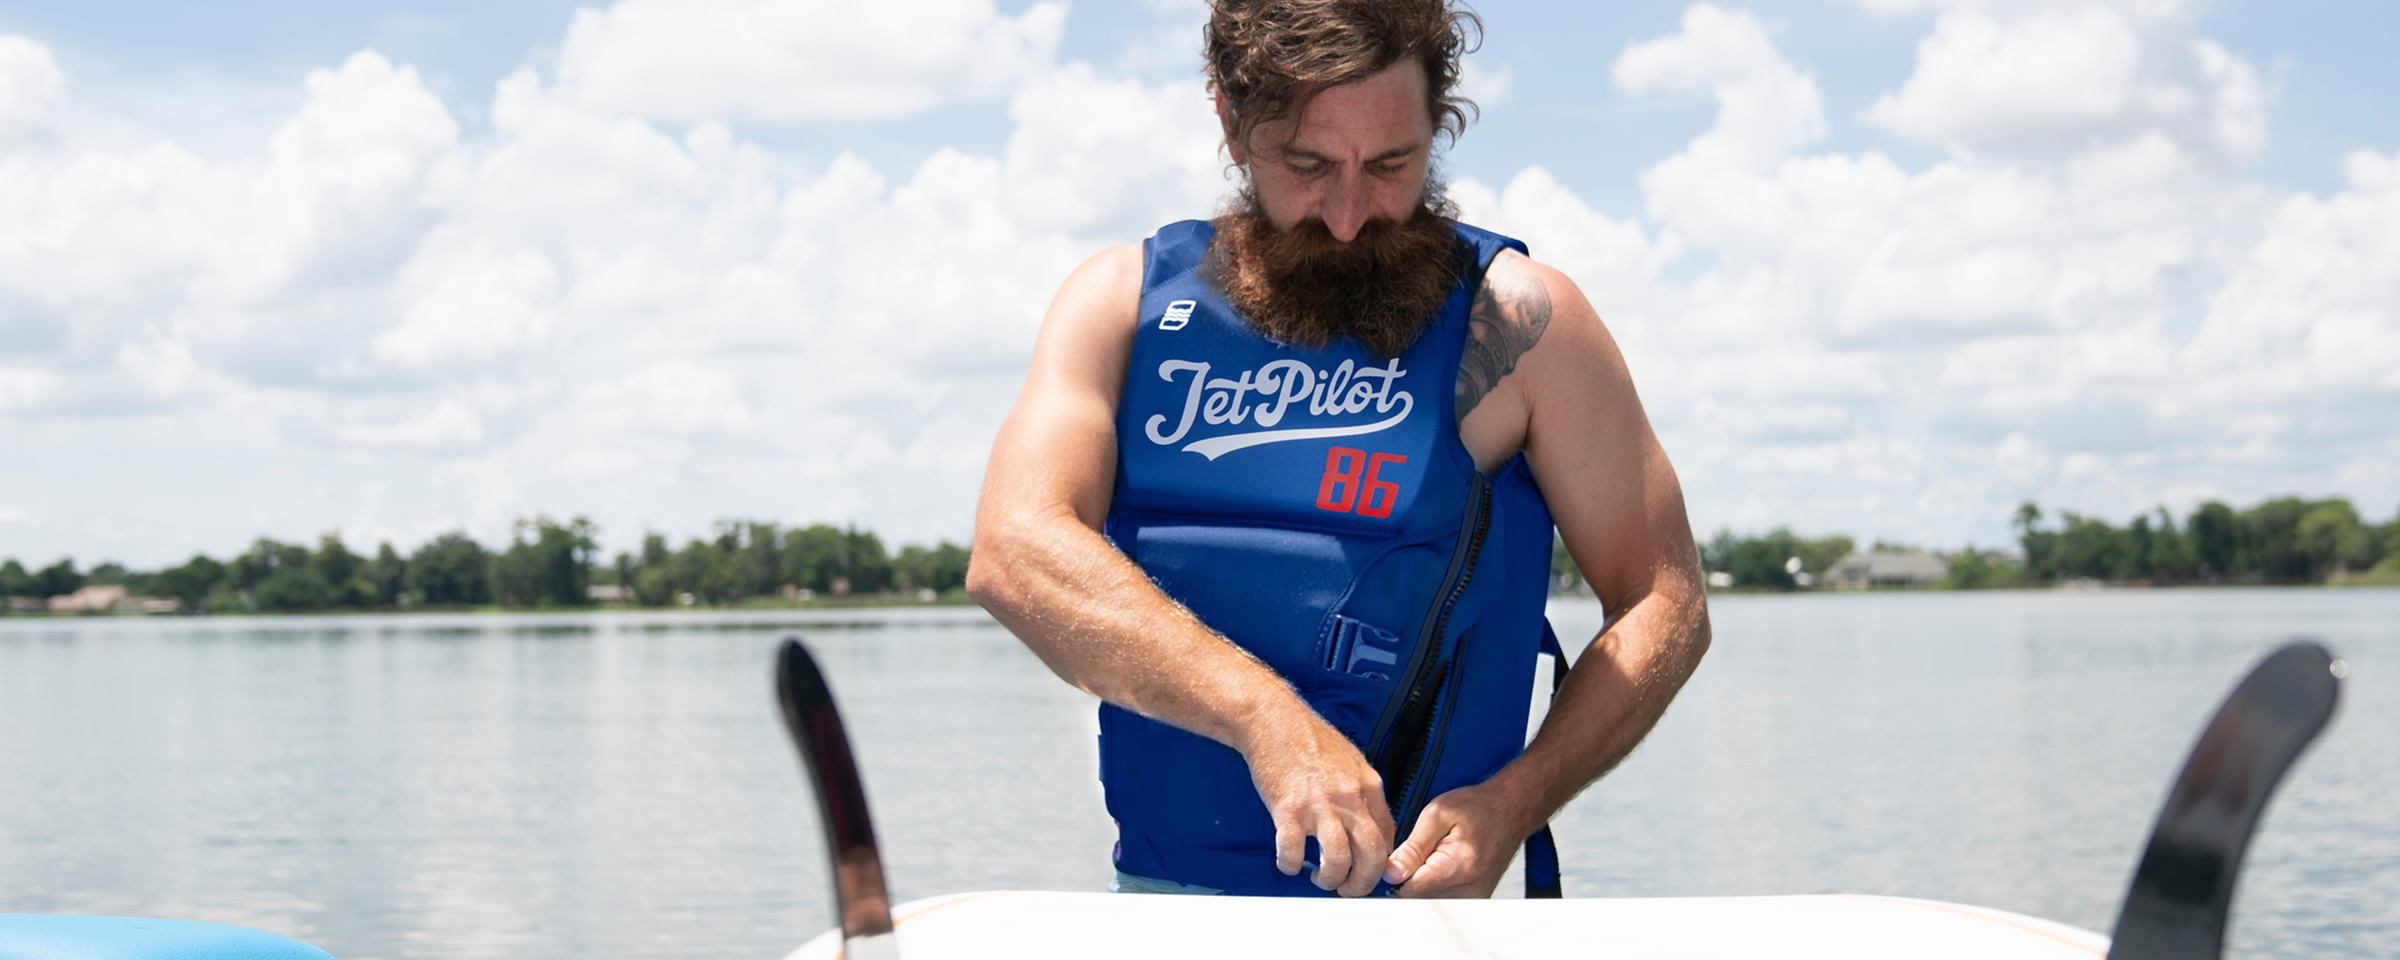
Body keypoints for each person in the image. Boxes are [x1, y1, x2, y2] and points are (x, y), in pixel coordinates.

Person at [966, 0, 1710, 899]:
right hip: (1161, 912)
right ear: (1231, 123)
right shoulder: (1121, 306)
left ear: (1438, 123)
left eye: (1393, 163)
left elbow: (1664, 600)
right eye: (1308, 164)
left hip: (1418, 916)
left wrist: (1515, 801)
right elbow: (1015, 551)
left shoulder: (1517, 324)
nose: (1351, 214)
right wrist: (1264, 717)